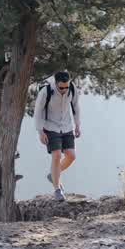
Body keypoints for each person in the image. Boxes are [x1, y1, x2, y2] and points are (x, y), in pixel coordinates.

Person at [33, 71, 81, 201]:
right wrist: (40, 131)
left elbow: (76, 107)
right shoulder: (46, 92)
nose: (64, 89)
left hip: (66, 126)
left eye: (66, 86)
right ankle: (57, 189)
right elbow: (37, 112)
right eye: (61, 87)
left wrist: (77, 125)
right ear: (55, 83)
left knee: (71, 156)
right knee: (57, 155)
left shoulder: (72, 89)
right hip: (50, 127)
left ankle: (53, 175)